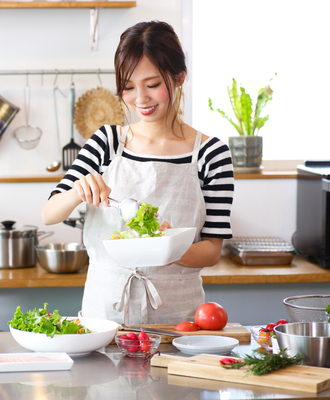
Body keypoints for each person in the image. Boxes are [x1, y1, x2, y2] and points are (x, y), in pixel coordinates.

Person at [41, 20, 234, 325]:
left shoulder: (211, 154)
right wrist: (79, 188)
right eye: (128, 87)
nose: (140, 99)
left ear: (179, 77)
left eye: (153, 84)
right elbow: (49, 213)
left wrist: (167, 248)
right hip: (104, 313)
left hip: (176, 318)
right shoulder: (107, 141)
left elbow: (211, 250)